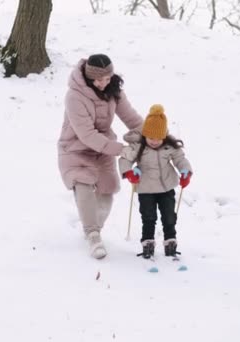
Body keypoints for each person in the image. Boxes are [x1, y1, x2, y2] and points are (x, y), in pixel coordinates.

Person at [58, 54, 143, 259]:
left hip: (103, 149)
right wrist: (119, 149)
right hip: (75, 148)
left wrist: (156, 136)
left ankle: (95, 226)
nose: (104, 83)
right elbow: (86, 134)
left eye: (107, 79)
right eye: (99, 80)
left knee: (108, 189)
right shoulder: (74, 96)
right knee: (84, 185)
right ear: (89, 78)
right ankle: (93, 235)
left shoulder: (113, 90)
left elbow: (132, 118)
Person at [119, 104, 193, 259]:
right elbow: (125, 159)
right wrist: (129, 172)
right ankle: (148, 242)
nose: (154, 141)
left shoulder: (169, 147)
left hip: (167, 188)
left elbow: (180, 159)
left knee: (169, 216)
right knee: (148, 217)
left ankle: (170, 241)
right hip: (146, 189)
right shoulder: (138, 146)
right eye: (151, 138)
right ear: (145, 134)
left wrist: (185, 172)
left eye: (159, 138)